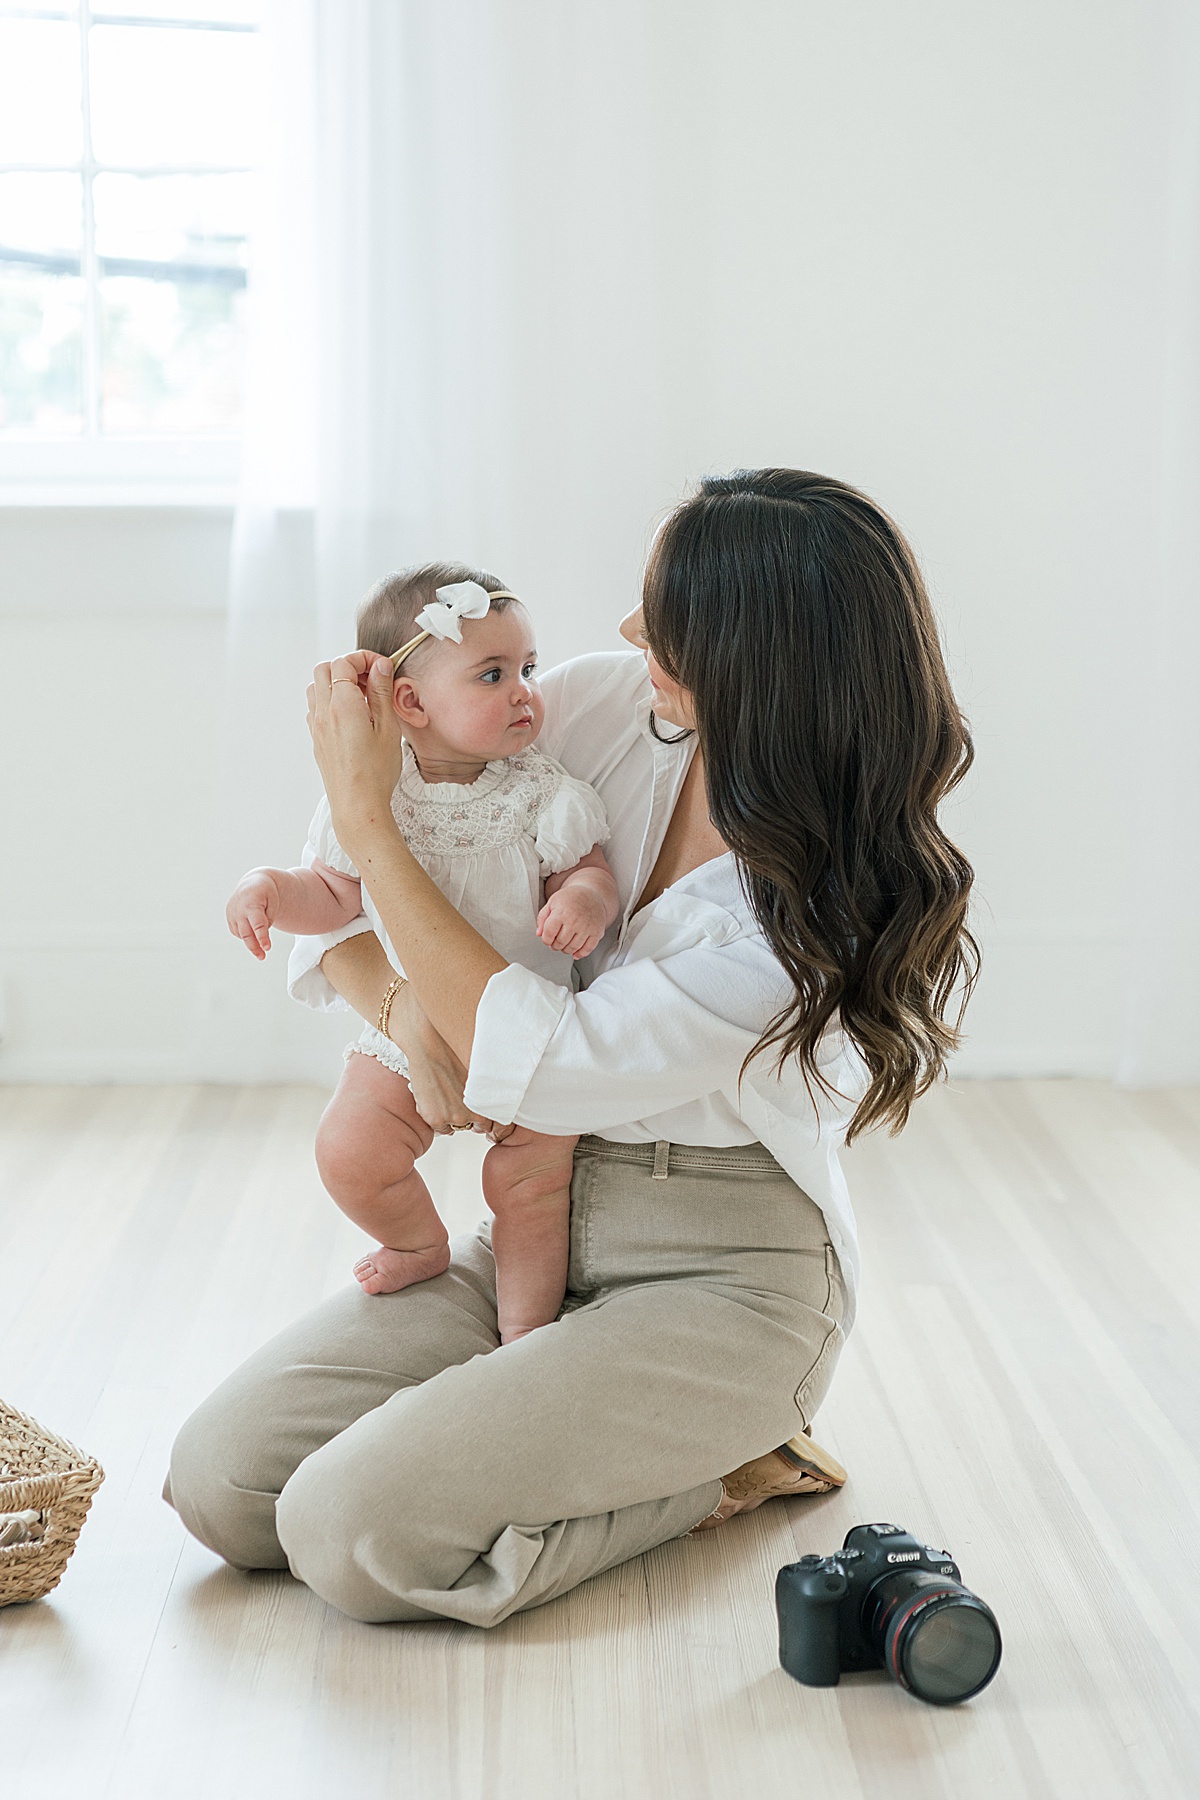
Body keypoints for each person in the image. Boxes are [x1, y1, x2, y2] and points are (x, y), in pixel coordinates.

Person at [166, 469, 977, 1628]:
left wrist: (362, 821)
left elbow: (544, 1059)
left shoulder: (812, 912)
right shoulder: (599, 711)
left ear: (754, 660)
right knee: (225, 1484)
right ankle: (556, 1418)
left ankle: (732, 1460)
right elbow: (352, 913)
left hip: (729, 1277)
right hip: (549, 1219)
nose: (629, 629)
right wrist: (399, 1010)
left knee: (348, 1531)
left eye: (667, 615)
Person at [223, 564, 617, 1341]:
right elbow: (335, 898)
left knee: (531, 1187)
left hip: (527, 1028)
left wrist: (582, 900)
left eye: (528, 670)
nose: (525, 692)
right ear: (410, 703)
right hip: (404, 1032)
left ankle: (525, 1331)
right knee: (349, 1151)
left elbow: (589, 867)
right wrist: (269, 885)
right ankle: (417, 1240)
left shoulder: (541, 790)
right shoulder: (377, 793)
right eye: (493, 675)